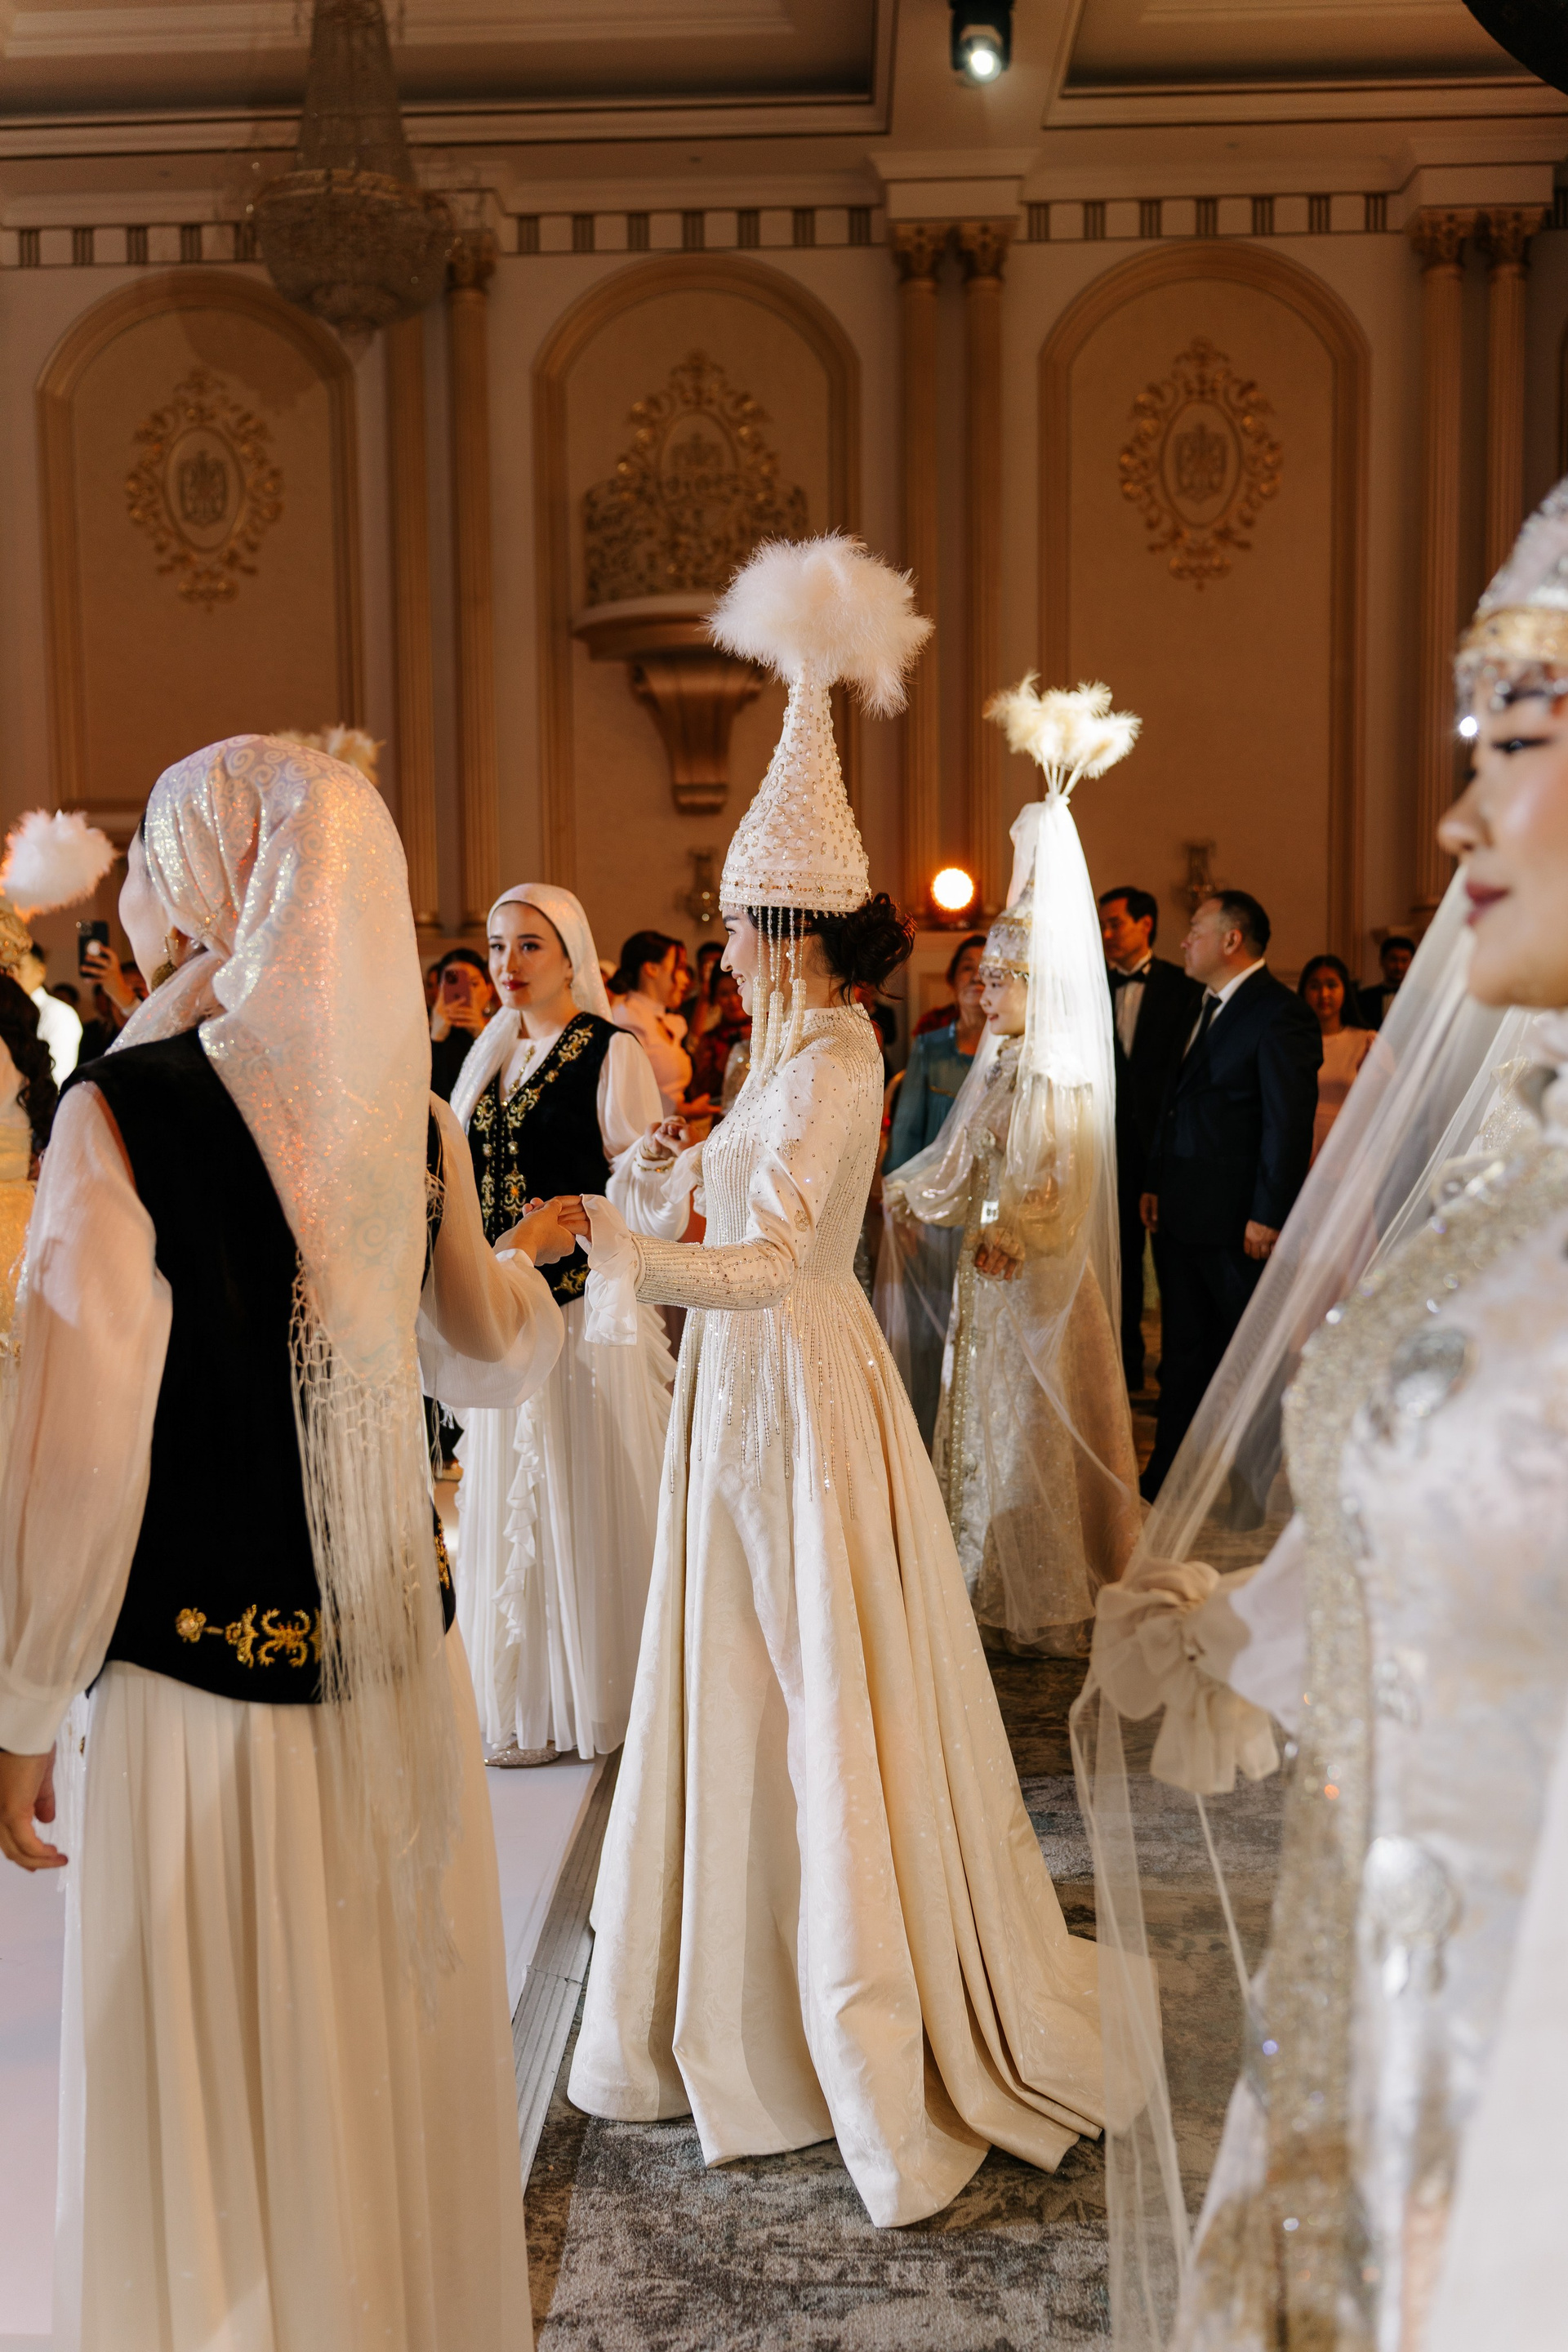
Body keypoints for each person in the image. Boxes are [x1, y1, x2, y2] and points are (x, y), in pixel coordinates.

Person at [0, 733, 576, 2352]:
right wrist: (542, 1275)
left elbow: (78, 1452)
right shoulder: (413, 1118)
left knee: (215, 2082)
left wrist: (24, 1698)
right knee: (382, 2036)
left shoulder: (129, 1112)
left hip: (203, 1685)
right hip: (396, 1666)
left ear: (207, 884)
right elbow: (482, 1357)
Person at [1076, 474, 1568, 2352]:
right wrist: (1236, 1620)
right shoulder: (1523, 1167)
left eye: (1511, 750)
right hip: (1394, 1985)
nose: (1456, 817)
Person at [565, 535, 1105, 2230]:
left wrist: (630, 1250)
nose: (718, 947)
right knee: (742, 1666)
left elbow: (775, 1261)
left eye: (734, 924)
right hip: (750, 1393)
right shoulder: (785, 1052)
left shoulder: (839, 1059)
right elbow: (721, 1203)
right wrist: (655, 1180)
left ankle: (833, 2011)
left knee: (802, 1673)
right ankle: (733, 1984)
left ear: (783, 930)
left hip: (793, 1386)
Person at [883, 685, 1141, 1653]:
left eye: (998, 979)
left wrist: (1014, 1229)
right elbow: (957, 1159)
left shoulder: (1059, 1073)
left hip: (1037, 1276)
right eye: (983, 978)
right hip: (987, 1276)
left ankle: (1048, 1579)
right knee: (984, 1422)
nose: (983, 993)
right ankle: (982, 1571)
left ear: (1039, 983)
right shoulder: (996, 1066)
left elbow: (1061, 1179)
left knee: (1035, 1428)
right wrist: (903, 1192)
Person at [449, 885, 677, 1766]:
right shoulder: (490, 1053)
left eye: (529, 945)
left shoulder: (608, 1049)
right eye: (497, 944)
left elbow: (636, 1177)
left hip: (577, 1308)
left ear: (570, 953)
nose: (507, 964)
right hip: (503, 1303)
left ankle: (593, 1693)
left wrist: (651, 1161)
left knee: (576, 1485)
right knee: (509, 1488)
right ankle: (522, 1694)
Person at [1138, 888, 1321, 1500]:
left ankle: (1248, 1487)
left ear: (1231, 939)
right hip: (1182, 1211)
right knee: (1183, 1354)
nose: (1184, 941)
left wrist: (1267, 1214)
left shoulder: (1280, 1013)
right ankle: (1168, 1478)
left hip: (1239, 1221)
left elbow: (1286, 1125)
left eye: (1195, 929)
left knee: (1247, 1356)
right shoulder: (1199, 1005)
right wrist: (1156, 1179)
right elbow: (1174, 1103)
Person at [1098, 884, 1203, 1395]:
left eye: (1115, 923)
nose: (1106, 933)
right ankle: (1121, 1369)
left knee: (1172, 1266)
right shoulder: (1091, 985)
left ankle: (1175, 1376)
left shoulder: (1184, 989)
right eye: (1103, 924)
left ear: (1146, 924)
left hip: (1167, 1147)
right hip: (1106, 1145)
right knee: (1115, 1263)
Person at [608, 929, 702, 1117]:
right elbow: (630, 1091)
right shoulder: (627, 1020)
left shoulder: (666, 1020)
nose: (685, 979)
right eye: (679, 967)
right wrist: (681, 1110)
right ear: (651, 969)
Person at [1298, 948, 1374, 1161]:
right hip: (1299, 1143)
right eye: (1315, 986)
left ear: (1345, 990)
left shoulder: (1366, 1041)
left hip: (1351, 1147)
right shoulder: (1291, 1042)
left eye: (1332, 985)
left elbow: (1384, 1102)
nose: (1324, 995)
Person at [429, 943, 498, 1101]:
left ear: (489, 990)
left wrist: (482, 1036)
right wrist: (436, 1040)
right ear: (440, 990)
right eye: (453, 984)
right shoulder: (422, 1040)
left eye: (473, 984)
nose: (467, 992)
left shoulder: (504, 1033)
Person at [1361, 929, 1415, 1027]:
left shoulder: (1423, 999)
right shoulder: (1363, 998)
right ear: (1381, 961)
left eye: (1404, 960)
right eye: (1393, 960)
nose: (1399, 967)